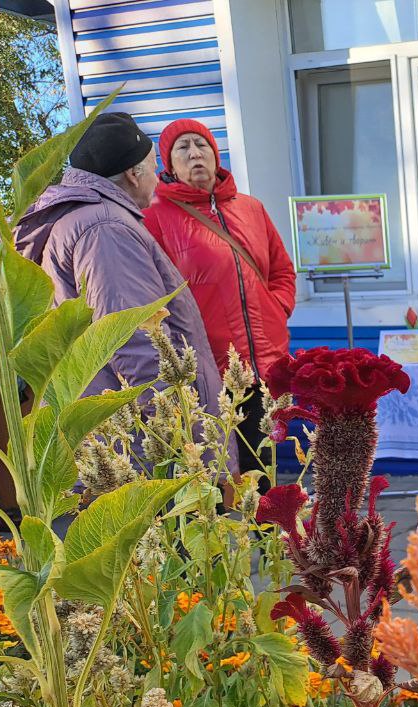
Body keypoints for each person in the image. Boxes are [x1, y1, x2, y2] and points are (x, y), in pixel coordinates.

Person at [14, 111, 224, 418]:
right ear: (133, 174)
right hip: (137, 430)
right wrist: (175, 427)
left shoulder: (90, 219)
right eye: (154, 167)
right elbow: (136, 340)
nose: (157, 178)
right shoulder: (106, 229)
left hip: (110, 416)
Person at [143, 118, 296, 472]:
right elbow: (154, 294)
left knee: (264, 465)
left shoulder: (251, 208)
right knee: (218, 468)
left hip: (265, 363)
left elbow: (282, 271)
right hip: (210, 368)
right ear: (169, 164)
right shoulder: (156, 217)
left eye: (202, 145)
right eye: (183, 148)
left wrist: (277, 308)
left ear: (215, 153)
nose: (195, 154)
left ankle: (264, 512)